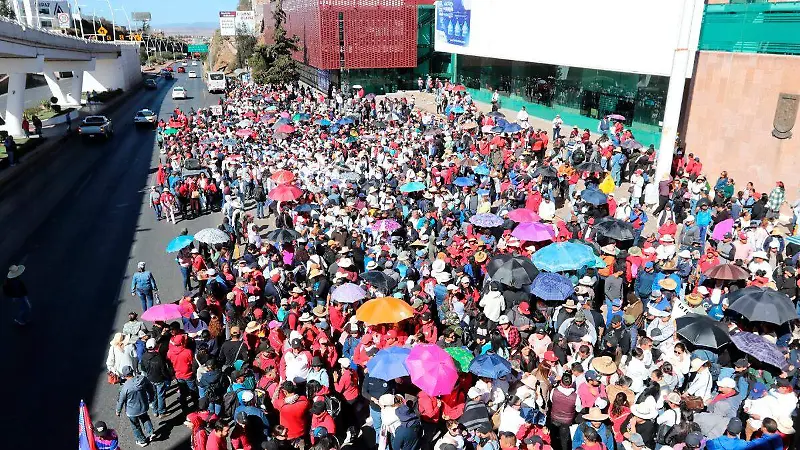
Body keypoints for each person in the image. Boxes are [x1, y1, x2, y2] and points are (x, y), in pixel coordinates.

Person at [116, 365, 155, 447]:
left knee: (135, 426)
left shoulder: (125, 387)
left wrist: (118, 411)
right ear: (132, 372)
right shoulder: (142, 379)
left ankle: (142, 440)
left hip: (132, 411)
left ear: (124, 375)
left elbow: (121, 400)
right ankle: (151, 432)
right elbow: (150, 388)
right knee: (145, 418)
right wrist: (151, 398)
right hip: (143, 406)